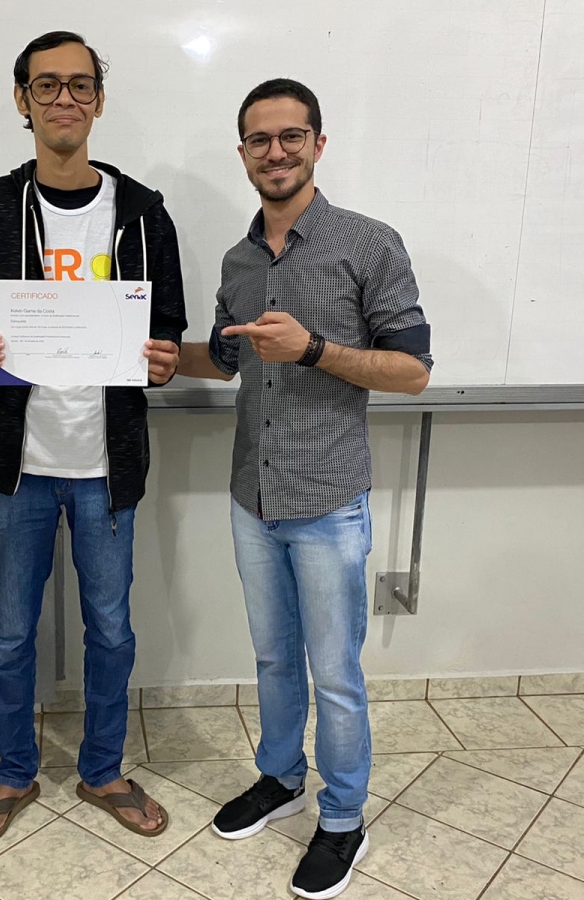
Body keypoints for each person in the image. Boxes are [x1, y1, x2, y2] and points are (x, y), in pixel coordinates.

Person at [177, 79, 433, 899]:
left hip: (328, 500)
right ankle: (281, 778)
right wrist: (160, 359)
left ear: (318, 144)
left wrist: (315, 348)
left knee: (336, 674)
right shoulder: (239, 260)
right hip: (252, 496)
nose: (276, 152)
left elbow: (414, 371)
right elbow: (225, 359)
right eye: (260, 139)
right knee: (272, 657)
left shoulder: (368, 243)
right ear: (243, 152)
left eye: (292, 136)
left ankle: (343, 817)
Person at [0, 31, 188, 848]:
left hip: (106, 467)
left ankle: (102, 768)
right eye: (47, 85)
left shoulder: (143, 211)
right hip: (17, 466)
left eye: (80, 85)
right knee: (11, 633)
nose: (64, 100)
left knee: (111, 631)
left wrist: (161, 359)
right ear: (23, 100)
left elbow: (166, 327)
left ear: (99, 100)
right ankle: (14, 772)